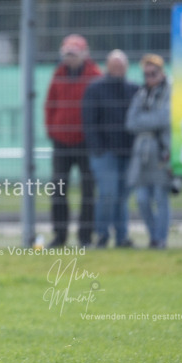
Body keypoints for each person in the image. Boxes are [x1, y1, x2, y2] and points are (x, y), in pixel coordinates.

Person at [43, 34, 102, 248]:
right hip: (61, 143)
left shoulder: (95, 75)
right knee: (58, 189)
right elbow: (50, 105)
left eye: (73, 54)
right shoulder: (58, 75)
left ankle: (85, 237)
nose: (69, 58)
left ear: (83, 55)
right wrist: (53, 130)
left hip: (86, 143)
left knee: (88, 191)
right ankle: (60, 236)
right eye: (66, 54)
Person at [81, 50, 139, 248]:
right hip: (104, 153)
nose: (118, 70)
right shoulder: (95, 89)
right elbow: (89, 123)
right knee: (107, 194)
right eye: (114, 66)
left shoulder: (134, 89)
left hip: (128, 153)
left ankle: (122, 237)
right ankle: (102, 235)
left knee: (122, 197)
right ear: (107, 66)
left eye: (121, 66)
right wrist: (98, 149)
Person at [126, 54, 172, 249]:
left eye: (153, 73)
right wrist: (151, 121)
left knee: (161, 198)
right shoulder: (140, 94)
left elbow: (166, 118)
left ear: (161, 73)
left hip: (162, 153)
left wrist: (145, 121)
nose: (149, 78)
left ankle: (161, 239)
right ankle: (153, 236)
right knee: (142, 199)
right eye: (146, 74)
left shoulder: (170, 93)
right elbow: (131, 122)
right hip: (141, 155)